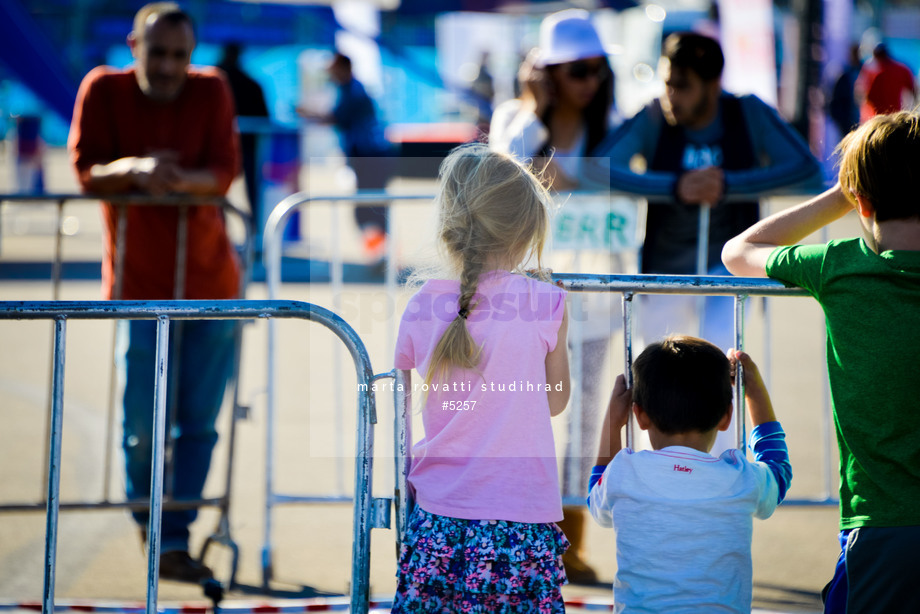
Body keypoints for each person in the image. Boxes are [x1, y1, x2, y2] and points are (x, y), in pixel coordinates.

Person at [68, 2, 241, 584]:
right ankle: (151, 521)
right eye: (157, 52)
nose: (167, 66)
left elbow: (222, 171)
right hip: (137, 285)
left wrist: (169, 179)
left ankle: (173, 537)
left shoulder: (211, 89)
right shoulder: (103, 89)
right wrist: (137, 168)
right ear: (133, 45)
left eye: (178, 55)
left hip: (211, 283)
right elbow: (86, 169)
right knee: (142, 420)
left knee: (197, 421)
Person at [722, 110, 920, 614]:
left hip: (879, 524)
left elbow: (739, 250)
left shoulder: (839, 266)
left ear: (863, 201)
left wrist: (840, 195)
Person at [391, 144, 571, 612]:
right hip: (521, 518)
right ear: (527, 229)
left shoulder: (421, 305)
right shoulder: (544, 302)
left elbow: (399, 411)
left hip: (438, 517)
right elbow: (555, 400)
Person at [586, 32, 822, 353]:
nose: (670, 94)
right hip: (662, 273)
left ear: (713, 86)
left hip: (727, 269)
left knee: (717, 366)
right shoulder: (654, 115)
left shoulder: (747, 112)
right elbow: (598, 169)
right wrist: (674, 186)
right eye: (666, 82)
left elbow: (805, 166)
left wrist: (728, 185)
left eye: (682, 85)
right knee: (659, 375)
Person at [490, 9, 618, 583]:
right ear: (547, 73)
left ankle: (568, 542)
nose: (588, 81)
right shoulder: (513, 118)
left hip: (594, 296)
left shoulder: (614, 125)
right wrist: (537, 109)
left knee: (585, 419)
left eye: (596, 69)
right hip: (522, 298)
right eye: (576, 70)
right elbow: (508, 170)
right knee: (517, 412)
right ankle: (515, 531)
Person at [588, 336, 792, 613]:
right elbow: (778, 472)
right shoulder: (739, 477)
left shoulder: (623, 472)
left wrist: (612, 423)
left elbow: (595, 501)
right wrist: (754, 391)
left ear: (639, 415)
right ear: (726, 417)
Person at [297, 52, 394, 262]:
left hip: (371, 157)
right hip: (369, 156)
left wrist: (307, 113)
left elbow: (337, 118)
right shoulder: (350, 89)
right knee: (370, 207)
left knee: (370, 208)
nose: (330, 74)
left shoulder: (354, 90)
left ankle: (381, 255)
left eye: (333, 69)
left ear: (343, 68)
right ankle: (379, 254)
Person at [217, 42, 269, 233]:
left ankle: (251, 234)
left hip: (242, 147)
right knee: (217, 187)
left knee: (220, 187)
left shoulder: (218, 81)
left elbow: (263, 117)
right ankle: (249, 232)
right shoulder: (249, 83)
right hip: (239, 147)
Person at [855, 43, 918, 123]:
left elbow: (863, 94)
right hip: (894, 116)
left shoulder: (872, 71)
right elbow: (913, 90)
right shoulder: (901, 69)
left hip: (876, 119)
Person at [828, 44, 862, 138]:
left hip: (864, 121)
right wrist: (840, 120)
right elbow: (835, 99)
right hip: (847, 122)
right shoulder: (844, 75)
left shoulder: (866, 72)